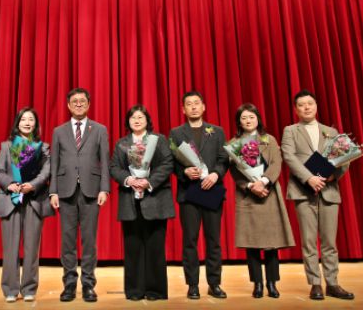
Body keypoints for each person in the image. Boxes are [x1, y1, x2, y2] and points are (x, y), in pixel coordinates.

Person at [281, 89, 354, 300]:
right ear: (296, 109)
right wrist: (309, 178)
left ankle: (332, 283)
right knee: (309, 241)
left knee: (330, 242)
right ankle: (315, 284)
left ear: (316, 106)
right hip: (303, 191)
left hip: (329, 191)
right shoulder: (290, 131)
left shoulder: (331, 131)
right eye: (301, 105)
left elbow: (345, 159)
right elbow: (289, 156)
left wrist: (332, 176)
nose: (306, 107)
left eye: (310, 103)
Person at [228, 103, 295, 298]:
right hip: (248, 196)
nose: (248, 121)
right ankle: (257, 284)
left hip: (269, 194)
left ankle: (272, 283)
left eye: (251, 117)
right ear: (239, 122)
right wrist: (250, 185)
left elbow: (276, 163)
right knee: (252, 243)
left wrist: (263, 181)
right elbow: (234, 171)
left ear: (258, 119)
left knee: (271, 242)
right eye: (244, 118)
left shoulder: (269, 139)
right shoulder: (233, 143)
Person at [49, 88, 110, 302]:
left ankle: (88, 285)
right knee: (67, 242)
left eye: (82, 101)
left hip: (91, 191)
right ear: (68, 105)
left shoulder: (99, 129)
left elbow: (105, 161)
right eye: (74, 101)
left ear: (88, 104)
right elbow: (54, 163)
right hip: (65, 191)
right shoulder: (59, 131)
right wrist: (53, 191)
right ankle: (69, 284)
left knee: (89, 241)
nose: (78, 104)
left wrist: (104, 188)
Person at [109, 104, 175, 301]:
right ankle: (134, 290)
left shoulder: (159, 140)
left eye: (140, 117)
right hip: (130, 201)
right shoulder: (122, 143)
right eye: (133, 117)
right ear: (128, 122)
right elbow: (114, 167)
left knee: (155, 247)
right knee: (133, 248)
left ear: (147, 120)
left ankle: (156, 290)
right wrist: (129, 179)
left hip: (155, 199)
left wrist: (149, 181)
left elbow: (167, 164)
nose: (137, 120)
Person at [169, 91, 229, 299]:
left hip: (212, 189)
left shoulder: (217, 131)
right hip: (189, 192)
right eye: (189, 104)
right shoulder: (176, 133)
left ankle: (215, 283)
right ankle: (192, 285)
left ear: (203, 107)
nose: (193, 107)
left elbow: (223, 159)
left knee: (214, 240)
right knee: (190, 240)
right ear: (183, 109)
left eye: (197, 103)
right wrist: (183, 172)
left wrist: (216, 174)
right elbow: (171, 162)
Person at [0, 107, 54, 303]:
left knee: (31, 248)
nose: (27, 123)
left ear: (35, 124)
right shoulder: (6, 146)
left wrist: (32, 185)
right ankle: (10, 289)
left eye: (31, 119)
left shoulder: (43, 147)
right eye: (24, 119)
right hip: (10, 200)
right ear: (17, 123)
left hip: (33, 200)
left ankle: (29, 288)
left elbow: (46, 172)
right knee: (10, 249)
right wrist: (10, 184)